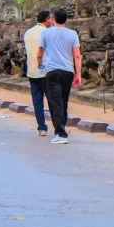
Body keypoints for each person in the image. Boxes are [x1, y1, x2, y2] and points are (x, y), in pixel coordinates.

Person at [37, 8, 82, 145]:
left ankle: (61, 133)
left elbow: (40, 52)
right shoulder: (72, 34)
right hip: (68, 70)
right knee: (63, 101)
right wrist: (78, 74)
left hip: (52, 70)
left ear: (53, 18)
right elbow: (77, 55)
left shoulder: (46, 33)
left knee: (56, 102)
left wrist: (39, 63)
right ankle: (62, 128)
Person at [24, 10, 53, 137]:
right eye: (50, 19)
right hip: (45, 71)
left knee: (37, 101)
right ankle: (59, 126)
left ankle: (42, 127)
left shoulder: (28, 33)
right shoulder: (47, 33)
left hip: (32, 71)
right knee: (52, 100)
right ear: (47, 19)